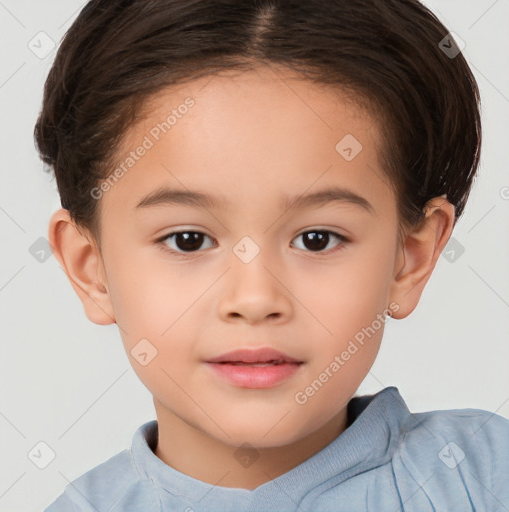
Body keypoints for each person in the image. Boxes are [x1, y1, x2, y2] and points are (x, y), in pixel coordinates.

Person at [35, 0, 508, 510]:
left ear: (409, 258)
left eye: (317, 239)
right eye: (188, 240)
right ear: (91, 268)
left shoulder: (480, 476)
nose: (255, 299)